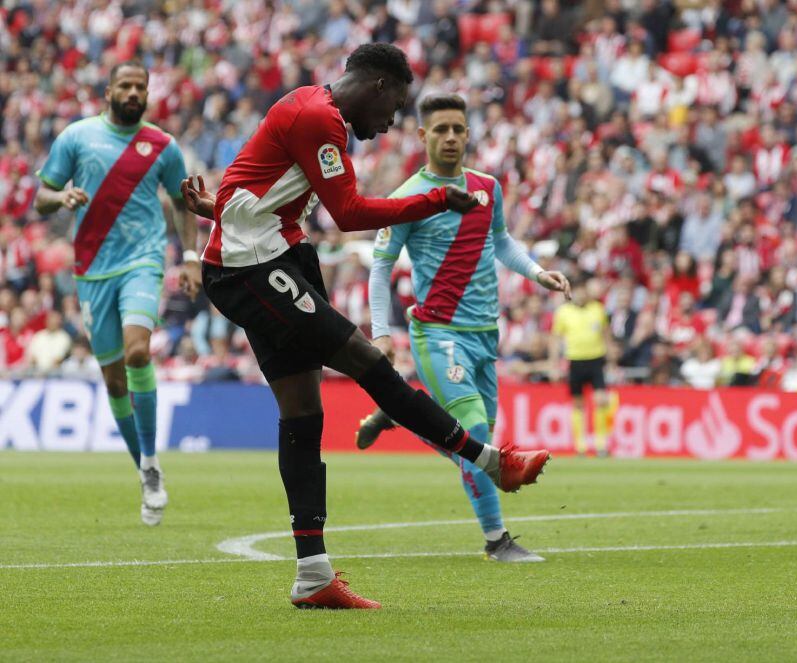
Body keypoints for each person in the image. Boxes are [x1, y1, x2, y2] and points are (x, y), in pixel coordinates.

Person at [180, 44, 551, 610]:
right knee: (367, 360)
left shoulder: (308, 110)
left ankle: (313, 576)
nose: (392, 122)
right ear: (378, 85)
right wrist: (432, 202)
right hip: (249, 267)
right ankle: (491, 462)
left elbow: (249, 181)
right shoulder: (319, 118)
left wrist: (216, 210)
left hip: (273, 254)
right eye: (396, 106)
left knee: (304, 414)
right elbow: (349, 214)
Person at [353, 94, 571, 563]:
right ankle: (498, 542)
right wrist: (381, 332)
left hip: (484, 336)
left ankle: (404, 416)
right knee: (476, 437)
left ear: (468, 134)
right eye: (440, 130)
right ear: (422, 136)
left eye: (457, 129)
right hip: (437, 333)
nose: (450, 137)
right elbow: (380, 267)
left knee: (475, 448)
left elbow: (501, 242)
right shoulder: (408, 197)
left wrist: (537, 273)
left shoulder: (488, 188)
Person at [34, 61, 201, 526]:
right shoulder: (76, 137)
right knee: (112, 382)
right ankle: (146, 471)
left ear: (147, 94)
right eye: (124, 84)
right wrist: (62, 198)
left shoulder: (164, 147)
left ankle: (149, 458)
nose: (133, 92)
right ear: (108, 90)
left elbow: (184, 203)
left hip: (143, 261)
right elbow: (40, 197)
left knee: (137, 352)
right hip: (92, 270)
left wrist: (189, 256)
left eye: (140, 87)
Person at [549, 277, 617, 457]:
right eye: (577, 290)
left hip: (596, 359)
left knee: (601, 400)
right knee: (578, 404)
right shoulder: (563, 312)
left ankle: (601, 444)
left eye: (583, 290)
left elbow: (607, 336)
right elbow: (556, 339)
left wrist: (612, 361)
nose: (580, 294)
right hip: (575, 361)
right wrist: (554, 363)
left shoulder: (598, 309)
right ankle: (580, 446)